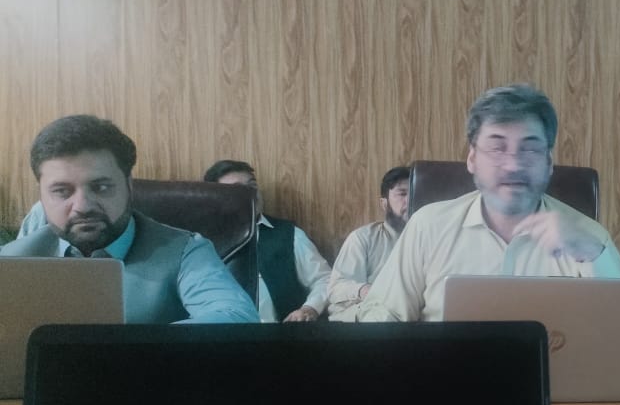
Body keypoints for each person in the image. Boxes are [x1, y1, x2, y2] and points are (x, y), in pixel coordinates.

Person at [358, 83, 620, 322]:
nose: (513, 165)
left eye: (530, 148)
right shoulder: (428, 226)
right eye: (497, 147)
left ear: (548, 162)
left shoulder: (588, 238)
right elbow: (384, 315)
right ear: (472, 159)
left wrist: (592, 253)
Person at [1, 115, 259, 324]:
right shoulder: (12, 260)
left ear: (129, 186)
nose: (83, 206)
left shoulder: (185, 251)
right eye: (62, 191)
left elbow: (237, 317)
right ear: (41, 195)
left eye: (101, 187)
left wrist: (127, 347)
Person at [204, 160, 332, 323]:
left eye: (252, 186)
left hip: (281, 333)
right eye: (238, 190)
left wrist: (310, 308)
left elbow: (325, 279)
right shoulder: (201, 242)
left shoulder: (288, 234)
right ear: (215, 199)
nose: (250, 194)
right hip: (219, 333)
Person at [326, 166, 411, 322]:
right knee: (384, 316)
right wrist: (366, 290)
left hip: (411, 312)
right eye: (402, 194)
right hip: (369, 311)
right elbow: (336, 288)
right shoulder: (362, 238)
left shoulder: (432, 239)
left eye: (414, 193)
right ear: (384, 204)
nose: (410, 200)